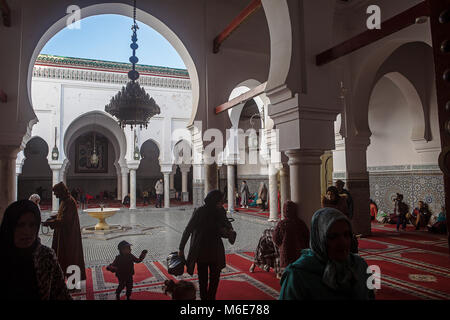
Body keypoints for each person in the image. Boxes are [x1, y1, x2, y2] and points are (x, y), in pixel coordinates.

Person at [279, 207, 375, 300]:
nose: (343, 242)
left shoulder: (359, 266)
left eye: (346, 235)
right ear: (319, 239)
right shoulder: (298, 275)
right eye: (333, 236)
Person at [0, 200, 72, 300]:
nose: (27, 232)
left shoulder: (46, 256)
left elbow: (61, 294)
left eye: (32, 225)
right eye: (20, 225)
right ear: (10, 226)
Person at [178, 190, 235, 300]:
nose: (222, 203)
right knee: (209, 280)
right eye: (220, 201)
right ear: (215, 201)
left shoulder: (214, 211)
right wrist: (181, 248)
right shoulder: (204, 211)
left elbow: (188, 230)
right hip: (209, 251)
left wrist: (181, 248)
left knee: (208, 280)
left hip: (206, 251)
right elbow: (188, 230)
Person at [42, 182, 86, 282]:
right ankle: (64, 280)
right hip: (63, 235)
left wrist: (50, 223)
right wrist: (51, 219)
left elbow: (65, 220)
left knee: (71, 258)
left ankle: (73, 284)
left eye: (56, 192)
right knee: (64, 257)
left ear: (61, 191)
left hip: (69, 236)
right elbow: (61, 215)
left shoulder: (69, 202)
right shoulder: (65, 201)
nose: (55, 195)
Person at [273, 201, 310, 278]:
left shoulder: (282, 224)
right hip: (299, 254)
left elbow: (276, 238)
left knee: (287, 277)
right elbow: (307, 237)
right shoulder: (300, 223)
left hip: (286, 254)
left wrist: (281, 246)